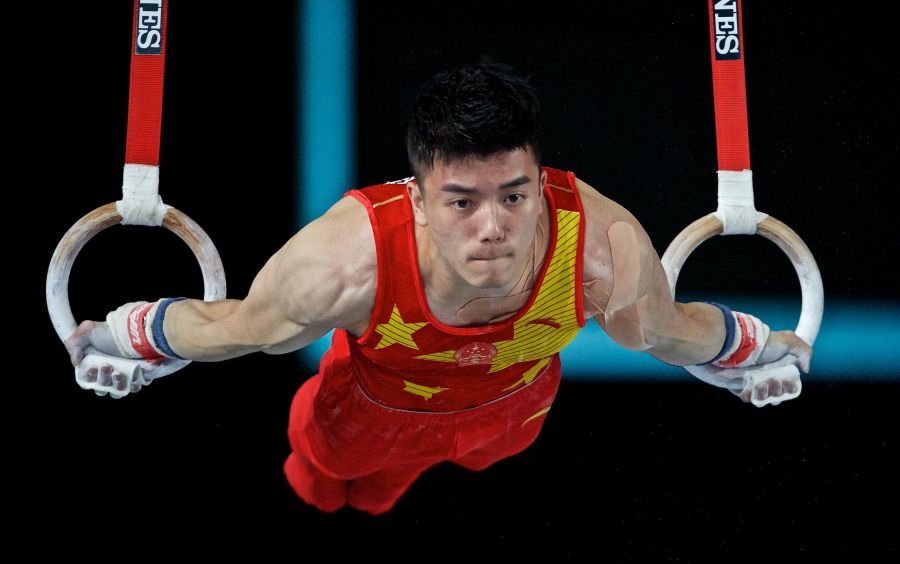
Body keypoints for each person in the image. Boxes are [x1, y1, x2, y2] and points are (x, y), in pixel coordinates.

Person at [65, 59, 812, 515]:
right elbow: (240, 329)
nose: (493, 227)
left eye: (515, 196)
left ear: (540, 182)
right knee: (326, 483)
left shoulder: (601, 251)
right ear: (418, 199)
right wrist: (124, 335)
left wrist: (764, 351)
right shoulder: (345, 262)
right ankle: (325, 479)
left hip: (511, 419)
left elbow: (669, 330)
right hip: (363, 416)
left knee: (439, 471)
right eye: (461, 201)